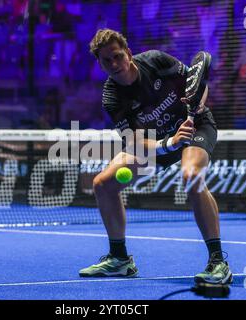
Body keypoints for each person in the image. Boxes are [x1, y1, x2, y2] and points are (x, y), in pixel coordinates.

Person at [79, 29, 232, 286]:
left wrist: (196, 106)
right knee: (103, 184)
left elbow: (196, 84)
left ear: (128, 53)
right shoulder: (112, 97)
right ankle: (120, 260)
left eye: (117, 56)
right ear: (99, 64)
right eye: (106, 61)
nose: (114, 64)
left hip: (194, 127)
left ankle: (218, 262)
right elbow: (135, 143)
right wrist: (169, 142)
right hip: (157, 143)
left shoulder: (156, 61)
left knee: (192, 176)